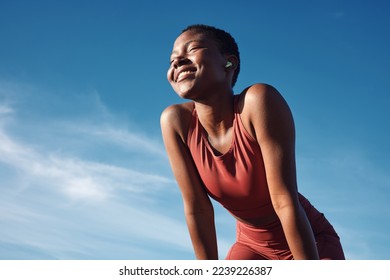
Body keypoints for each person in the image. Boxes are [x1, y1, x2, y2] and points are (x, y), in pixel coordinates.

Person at [160, 24, 345, 260]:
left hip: (309, 240)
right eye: (172, 59)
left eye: (193, 48)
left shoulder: (258, 102)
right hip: (251, 247)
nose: (177, 62)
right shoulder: (175, 122)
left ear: (229, 63)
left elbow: (284, 201)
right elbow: (198, 209)